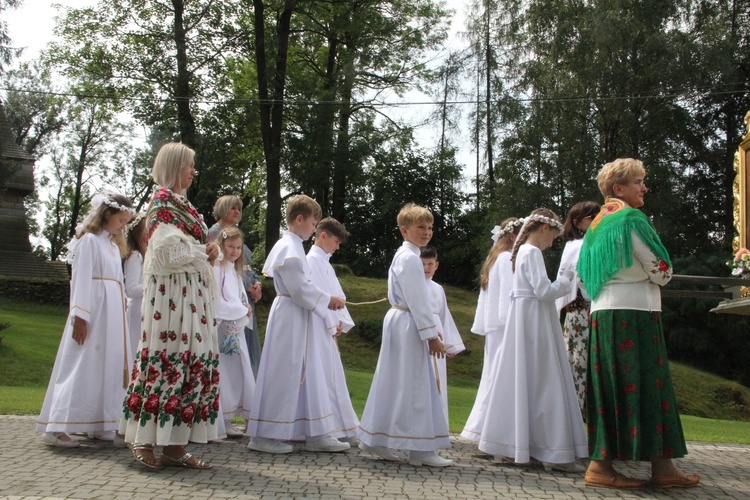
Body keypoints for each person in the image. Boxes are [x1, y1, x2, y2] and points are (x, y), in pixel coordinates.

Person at [577, 158, 700, 489]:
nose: (644, 187)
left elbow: (585, 280)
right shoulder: (631, 219)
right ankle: (604, 469)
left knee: (614, 388)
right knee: (648, 386)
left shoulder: (598, 224)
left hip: (604, 313)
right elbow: (662, 271)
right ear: (618, 188)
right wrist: (653, 274)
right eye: (638, 182)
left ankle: (660, 467)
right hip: (634, 315)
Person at [120, 142, 221, 470]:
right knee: (168, 356)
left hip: (191, 297)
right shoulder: (161, 202)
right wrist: (200, 251)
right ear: (175, 167)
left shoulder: (187, 208)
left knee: (190, 358)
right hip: (170, 296)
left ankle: (175, 445)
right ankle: (144, 439)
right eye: (189, 165)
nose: (193, 171)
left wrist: (207, 252)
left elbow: (187, 249)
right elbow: (165, 253)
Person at [477, 208, 587, 472]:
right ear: (544, 229)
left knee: (522, 380)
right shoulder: (532, 251)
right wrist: (566, 279)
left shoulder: (519, 252)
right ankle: (553, 451)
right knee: (545, 379)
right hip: (535, 320)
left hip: (524, 317)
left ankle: (514, 445)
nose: (553, 242)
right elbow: (543, 291)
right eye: (553, 235)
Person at [246, 195, 348, 454]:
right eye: (313, 223)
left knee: (306, 374)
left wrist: (326, 302)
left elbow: (303, 287)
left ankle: (315, 431)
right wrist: (328, 300)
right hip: (291, 315)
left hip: (297, 315)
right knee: (286, 372)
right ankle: (266, 434)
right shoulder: (290, 250)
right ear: (299, 219)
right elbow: (301, 289)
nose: (315, 229)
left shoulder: (293, 247)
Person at [36, 191, 135, 447]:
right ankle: (55, 427)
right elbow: (80, 279)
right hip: (95, 311)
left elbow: (117, 281)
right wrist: (80, 315)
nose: (124, 225)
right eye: (121, 220)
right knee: (80, 363)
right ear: (107, 214)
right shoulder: (89, 241)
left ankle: (102, 423)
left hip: (112, 315)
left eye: (126, 221)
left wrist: (122, 300)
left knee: (107, 366)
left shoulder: (113, 246)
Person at [357, 204, 451, 467]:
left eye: (430, 227)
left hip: (402, 320)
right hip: (409, 321)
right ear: (404, 229)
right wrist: (431, 335)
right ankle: (419, 449)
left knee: (396, 381)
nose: (427, 232)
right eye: (420, 227)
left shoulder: (406, 255)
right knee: (415, 383)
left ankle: (382, 440)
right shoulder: (409, 257)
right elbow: (418, 298)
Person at [460, 217, 521, 442]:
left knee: (492, 376)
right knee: (499, 377)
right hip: (504, 325)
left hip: (495, 326)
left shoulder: (494, 258)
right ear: (513, 235)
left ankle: (481, 428)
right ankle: (491, 431)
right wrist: (513, 320)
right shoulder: (506, 259)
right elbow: (508, 293)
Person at [306, 217, 359, 442]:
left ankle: (343, 427)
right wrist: (332, 320)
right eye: (336, 242)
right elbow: (318, 295)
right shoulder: (312, 261)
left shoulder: (324, 262)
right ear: (323, 236)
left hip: (328, 327)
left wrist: (339, 320)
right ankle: (330, 428)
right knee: (326, 378)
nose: (337, 247)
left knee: (334, 377)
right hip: (318, 327)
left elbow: (338, 296)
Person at [208, 195, 263, 378]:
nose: (237, 212)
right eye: (233, 208)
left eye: (239, 208)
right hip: (227, 303)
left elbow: (246, 267)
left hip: (244, 300)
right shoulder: (214, 234)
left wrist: (256, 284)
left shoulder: (239, 238)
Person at [554, 201, 600, 419]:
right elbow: (568, 280)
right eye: (591, 217)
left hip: (596, 309)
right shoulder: (575, 245)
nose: (595, 220)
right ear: (577, 222)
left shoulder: (597, 241)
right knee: (578, 361)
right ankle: (576, 413)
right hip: (579, 311)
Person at [213, 226, 256, 438]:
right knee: (224, 375)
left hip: (235, 328)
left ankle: (230, 416)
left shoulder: (233, 269)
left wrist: (244, 307)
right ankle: (220, 418)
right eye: (231, 246)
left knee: (238, 374)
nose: (235, 251)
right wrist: (241, 309)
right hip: (222, 328)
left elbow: (239, 295)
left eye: (238, 247)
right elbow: (218, 299)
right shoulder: (216, 268)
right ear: (222, 244)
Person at [420, 245, 465, 425]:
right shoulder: (413, 284)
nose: (426, 268)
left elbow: (445, 316)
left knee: (437, 377)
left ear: (436, 265)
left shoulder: (438, 289)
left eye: (430, 264)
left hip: (438, 333)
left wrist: (450, 345)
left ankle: (437, 425)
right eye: (423, 263)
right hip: (422, 332)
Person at [123, 212, 147, 363]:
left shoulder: (145, 254)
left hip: (144, 309)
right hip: (137, 309)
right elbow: (131, 289)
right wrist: (154, 286)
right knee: (134, 348)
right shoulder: (134, 256)